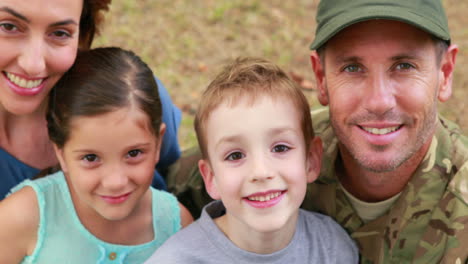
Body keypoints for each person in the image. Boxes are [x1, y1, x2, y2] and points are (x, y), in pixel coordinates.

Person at [167, 0, 468, 263]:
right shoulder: (280, 146)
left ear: (445, 73)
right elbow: (155, 186)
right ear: (321, 77)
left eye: (404, 66)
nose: (379, 101)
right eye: (352, 68)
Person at [146, 57, 358, 264]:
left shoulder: (333, 249)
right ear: (211, 178)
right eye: (235, 155)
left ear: (310, 160)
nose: (260, 172)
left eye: (280, 148)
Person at [0, 47, 193, 263]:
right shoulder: (20, 218)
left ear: (158, 143)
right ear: (61, 153)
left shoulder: (177, 225)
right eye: (91, 158)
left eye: (134, 153)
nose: (115, 182)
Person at [0, 0, 181, 199]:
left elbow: (171, 172)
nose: (33, 64)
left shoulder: (132, 100)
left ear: (82, 36)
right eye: (8, 27)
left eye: (60, 33)